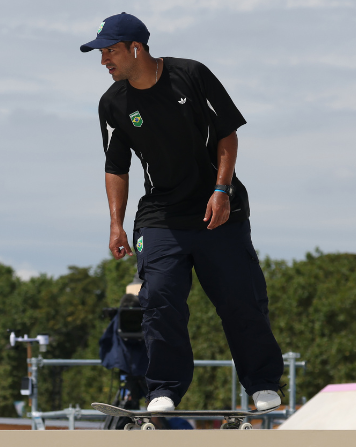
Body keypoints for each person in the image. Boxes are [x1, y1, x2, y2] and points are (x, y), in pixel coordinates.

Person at [81, 13, 283, 413]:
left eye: (111, 51)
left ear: (136, 48)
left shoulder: (190, 76)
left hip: (218, 212)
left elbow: (227, 132)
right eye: (101, 52)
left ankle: (262, 383)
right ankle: (164, 390)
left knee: (241, 300)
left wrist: (221, 190)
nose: (104, 60)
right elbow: (115, 167)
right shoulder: (113, 104)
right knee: (160, 301)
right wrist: (116, 224)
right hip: (160, 217)